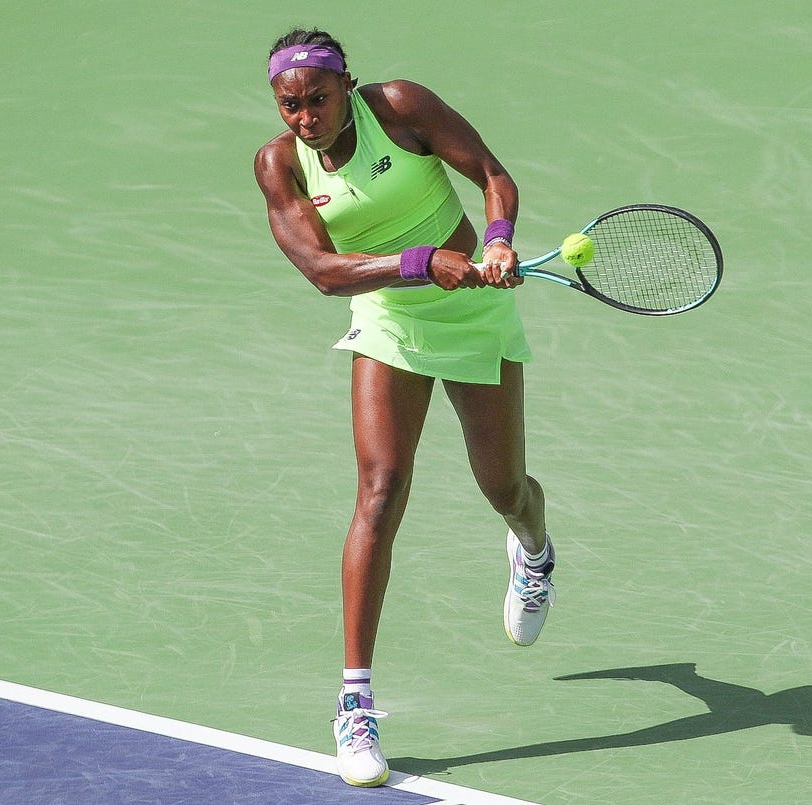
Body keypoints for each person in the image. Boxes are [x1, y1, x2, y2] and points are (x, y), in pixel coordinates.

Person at [254, 28, 556, 788]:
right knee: (380, 491)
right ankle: (354, 701)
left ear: (345, 85)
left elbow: (491, 174)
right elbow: (324, 272)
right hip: (392, 317)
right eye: (290, 105)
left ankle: (534, 545)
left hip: (475, 313)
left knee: (503, 488)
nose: (305, 117)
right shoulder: (279, 165)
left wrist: (494, 239)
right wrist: (423, 262)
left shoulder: (400, 108)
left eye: (317, 99)